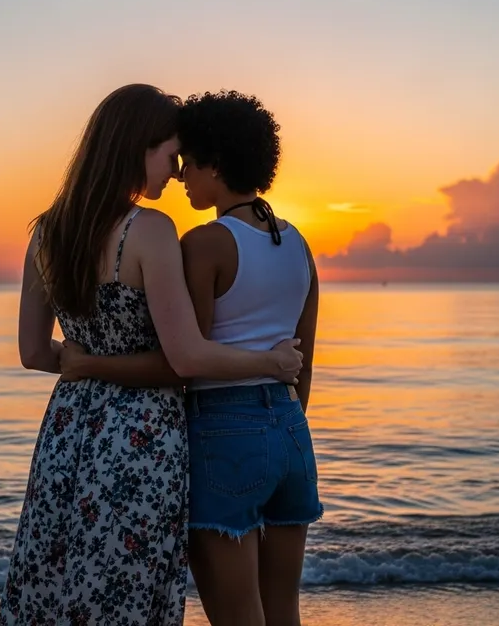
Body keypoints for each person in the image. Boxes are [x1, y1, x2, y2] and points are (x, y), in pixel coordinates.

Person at [0, 84, 302, 626]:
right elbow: (183, 357)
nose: (176, 170)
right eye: (170, 154)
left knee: (57, 587)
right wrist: (271, 363)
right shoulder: (150, 231)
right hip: (141, 441)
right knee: (129, 597)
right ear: (138, 147)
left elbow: (33, 352)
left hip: (66, 437)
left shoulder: (46, 231)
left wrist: (84, 363)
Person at [176, 90, 322, 626]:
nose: (181, 176)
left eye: (189, 163)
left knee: (237, 616)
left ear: (215, 163)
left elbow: (189, 358)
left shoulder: (206, 243)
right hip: (289, 430)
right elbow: (303, 359)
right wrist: (282, 419)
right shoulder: (301, 244)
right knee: (284, 610)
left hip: (223, 432)